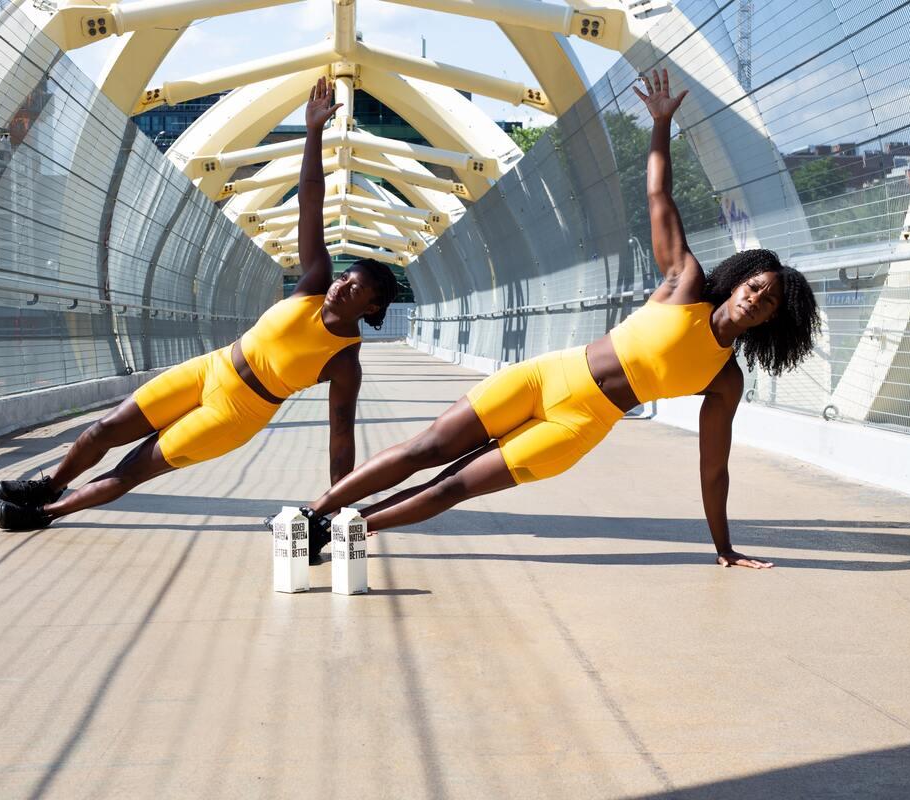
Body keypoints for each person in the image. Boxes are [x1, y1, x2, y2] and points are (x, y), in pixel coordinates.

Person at [293, 69, 820, 569]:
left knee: (452, 486)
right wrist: (660, 124)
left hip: (577, 425)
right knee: (425, 449)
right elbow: (659, 196)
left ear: (773, 321)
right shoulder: (683, 284)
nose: (757, 300)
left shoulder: (725, 378)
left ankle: (345, 531)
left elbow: (714, 468)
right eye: (756, 288)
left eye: (770, 303)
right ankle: (311, 515)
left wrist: (723, 545)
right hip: (545, 376)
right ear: (739, 280)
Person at [0, 76, 398, 551]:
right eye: (343, 279)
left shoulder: (345, 362)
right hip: (211, 367)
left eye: (354, 291)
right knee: (105, 429)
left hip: (234, 413)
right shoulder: (313, 283)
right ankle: (48, 485)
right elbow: (310, 203)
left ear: (371, 306)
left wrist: (335, 503)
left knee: (133, 467)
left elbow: (340, 438)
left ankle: (45, 513)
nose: (339, 288)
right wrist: (312, 133)